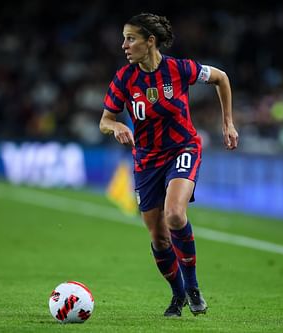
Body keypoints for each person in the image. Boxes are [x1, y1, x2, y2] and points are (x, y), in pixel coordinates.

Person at [99, 13, 239, 317]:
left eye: (131, 38)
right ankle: (177, 296)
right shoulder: (125, 78)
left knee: (175, 214)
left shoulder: (180, 69)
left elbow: (221, 78)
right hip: (147, 160)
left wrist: (228, 123)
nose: (124, 45)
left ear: (150, 41)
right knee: (158, 236)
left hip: (182, 148)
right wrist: (117, 128)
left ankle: (193, 288)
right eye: (123, 38)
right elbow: (105, 120)